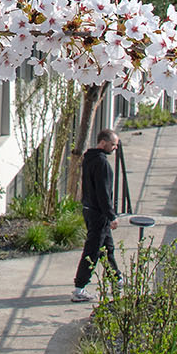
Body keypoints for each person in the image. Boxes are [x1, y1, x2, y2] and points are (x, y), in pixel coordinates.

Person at [74, 125, 120, 302]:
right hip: (98, 213)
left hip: (89, 209)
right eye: (113, 145)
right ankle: (80, 288)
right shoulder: (101, 163)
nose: (115, 148)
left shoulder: (89, 159)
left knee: (106, 247)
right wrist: (111, 215)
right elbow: (103, 192)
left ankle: (116, 278)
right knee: (93, 250)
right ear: (103, 143)